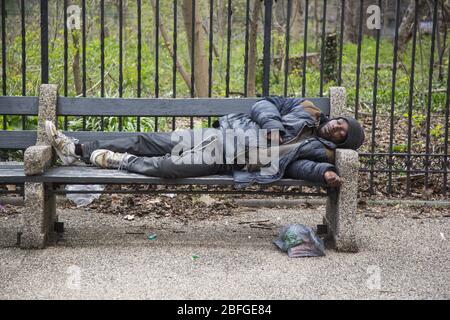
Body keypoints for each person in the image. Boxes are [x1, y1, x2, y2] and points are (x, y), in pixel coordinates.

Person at [45, 97, 365, 188]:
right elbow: (264, 103)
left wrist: (323, 174)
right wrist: (272, 124)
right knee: (149, 140)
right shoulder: (306, 108)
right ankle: (77, 150)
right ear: (335, 118)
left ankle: (113, 160)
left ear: (342, 143)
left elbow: (299, 168)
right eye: (340, 123)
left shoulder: (317, 151)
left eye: (342, 134)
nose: (337, 128)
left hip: (226, 159)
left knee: (167, 167)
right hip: (218, 136)